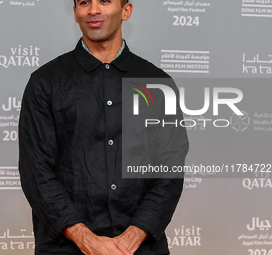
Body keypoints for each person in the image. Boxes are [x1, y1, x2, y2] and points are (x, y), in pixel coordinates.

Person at [18, 0, 189, 254]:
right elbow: (36, 171)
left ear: (126, 10)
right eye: (84, 2)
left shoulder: (157, 83)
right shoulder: (45, 82)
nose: (94, 10)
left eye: (105, 1)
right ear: (75, 13)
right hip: (66, 247)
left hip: (140, 249)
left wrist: (131, 238)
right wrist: (87, 240)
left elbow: (169, 171)